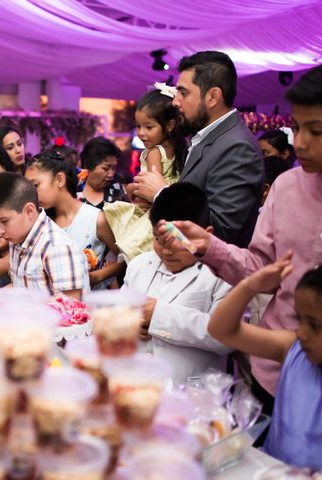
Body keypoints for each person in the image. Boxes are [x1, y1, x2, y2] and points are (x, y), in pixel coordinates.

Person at [154, 65, 322, 413]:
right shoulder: (286, 188)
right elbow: (262, 268)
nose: (300, 142)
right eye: (296, 128)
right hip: (277, 368)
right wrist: (208, 246)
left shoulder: (235, 146)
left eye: (316, 131)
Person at [134, 50, 264, 248]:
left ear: (213, 96)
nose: (175, 101)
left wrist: (161, 194)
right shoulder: (205, 138)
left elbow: (221, 231)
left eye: (183, 93)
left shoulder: (238, 147)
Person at [208, 260, 322, 470]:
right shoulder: (292, 349)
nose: (302, 333)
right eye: (300, 319)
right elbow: (220, 330)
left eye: (315, 325)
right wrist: (249, 286)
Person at [123, 183, 231, 383]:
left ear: (205, 234)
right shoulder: (138, 265)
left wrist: (158, 315)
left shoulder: (224, 276)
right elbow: (119, 311)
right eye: (158, 239)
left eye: (176, 241)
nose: (166, 251)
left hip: (192, 394)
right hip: (137, 385)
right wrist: (128, 324)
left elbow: (226, 337)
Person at [104, 85, 187, 262]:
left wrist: (133, 190)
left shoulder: (154, 152)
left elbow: (150, 186)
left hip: (154, 212)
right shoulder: (180, 149)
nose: (141, 133)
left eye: (149, 127)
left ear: (170, 125)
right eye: (138, 127)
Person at [0, 172, 89, 299]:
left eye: (4, 221)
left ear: (29, 211)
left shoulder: (56, 247)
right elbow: (21, 286)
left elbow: (70, 305)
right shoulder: (17, 239)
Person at [25, 151, 123, 289]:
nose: (31, 194)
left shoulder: (95, 219)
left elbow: (125, 258)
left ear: (59, 180)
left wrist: (98, 276)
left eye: (35, 186)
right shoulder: (38, 222)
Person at [78, 137, 128, 208]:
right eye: (105, 169)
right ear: (88, 166)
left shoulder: (117, 189)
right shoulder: (73, 190)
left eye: (113, 168)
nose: (111, 175)